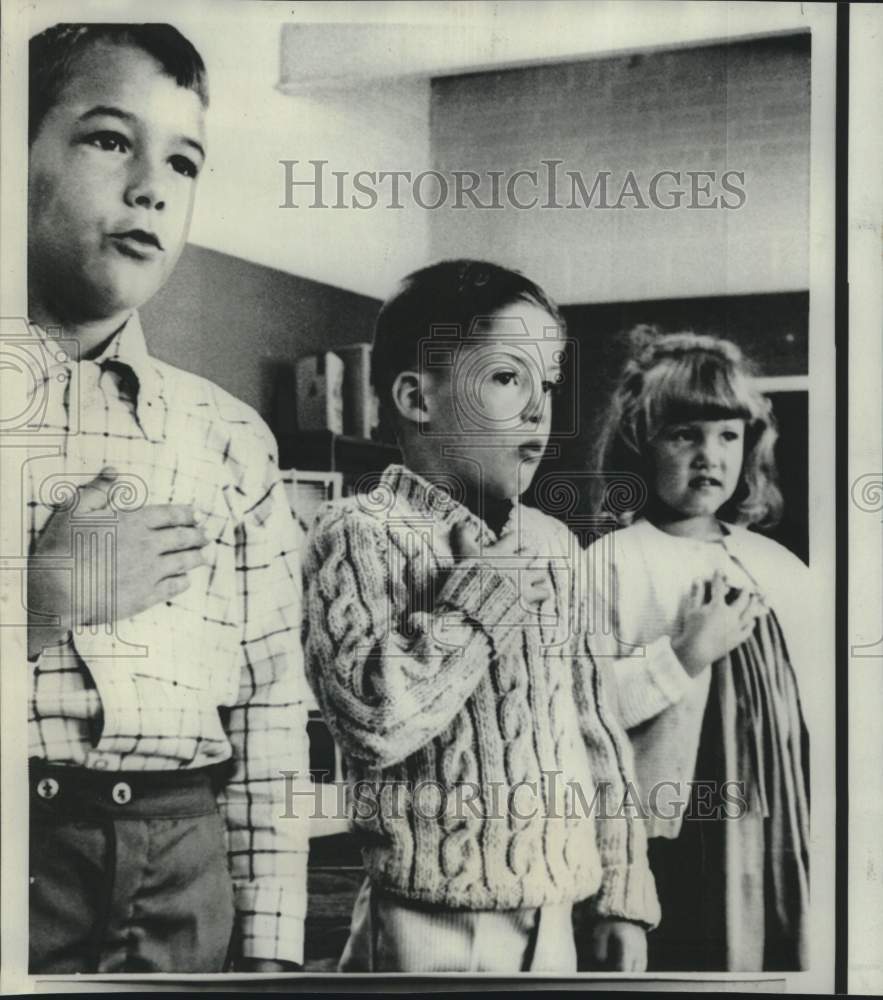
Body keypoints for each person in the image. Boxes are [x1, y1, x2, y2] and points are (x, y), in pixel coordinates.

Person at [25, 23, 309, 973]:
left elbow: (271, 705)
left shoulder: (228, 438)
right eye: (109, 139)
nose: (151, 184)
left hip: (188, 864)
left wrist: (270, 941)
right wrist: (39, 601)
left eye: (182, 162)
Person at [302, 260, 660, 973]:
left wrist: (622, 891)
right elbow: (372, 721)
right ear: (416, 397)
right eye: (505, 377)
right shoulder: (357, 531)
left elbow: (595, 731)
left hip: (556, 917)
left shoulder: (552, 541)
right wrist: (483, 596)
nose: (537, 409)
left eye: (547, 384)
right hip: (428, 927)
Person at [588, 329, 811, 971]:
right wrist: (685, 655)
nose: (708, 455)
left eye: (727, 435)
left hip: (775, 832)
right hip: (673, 836)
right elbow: (585, 715)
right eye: (684, 434)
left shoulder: (778, 565)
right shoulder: (611, 562)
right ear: (640, 441)